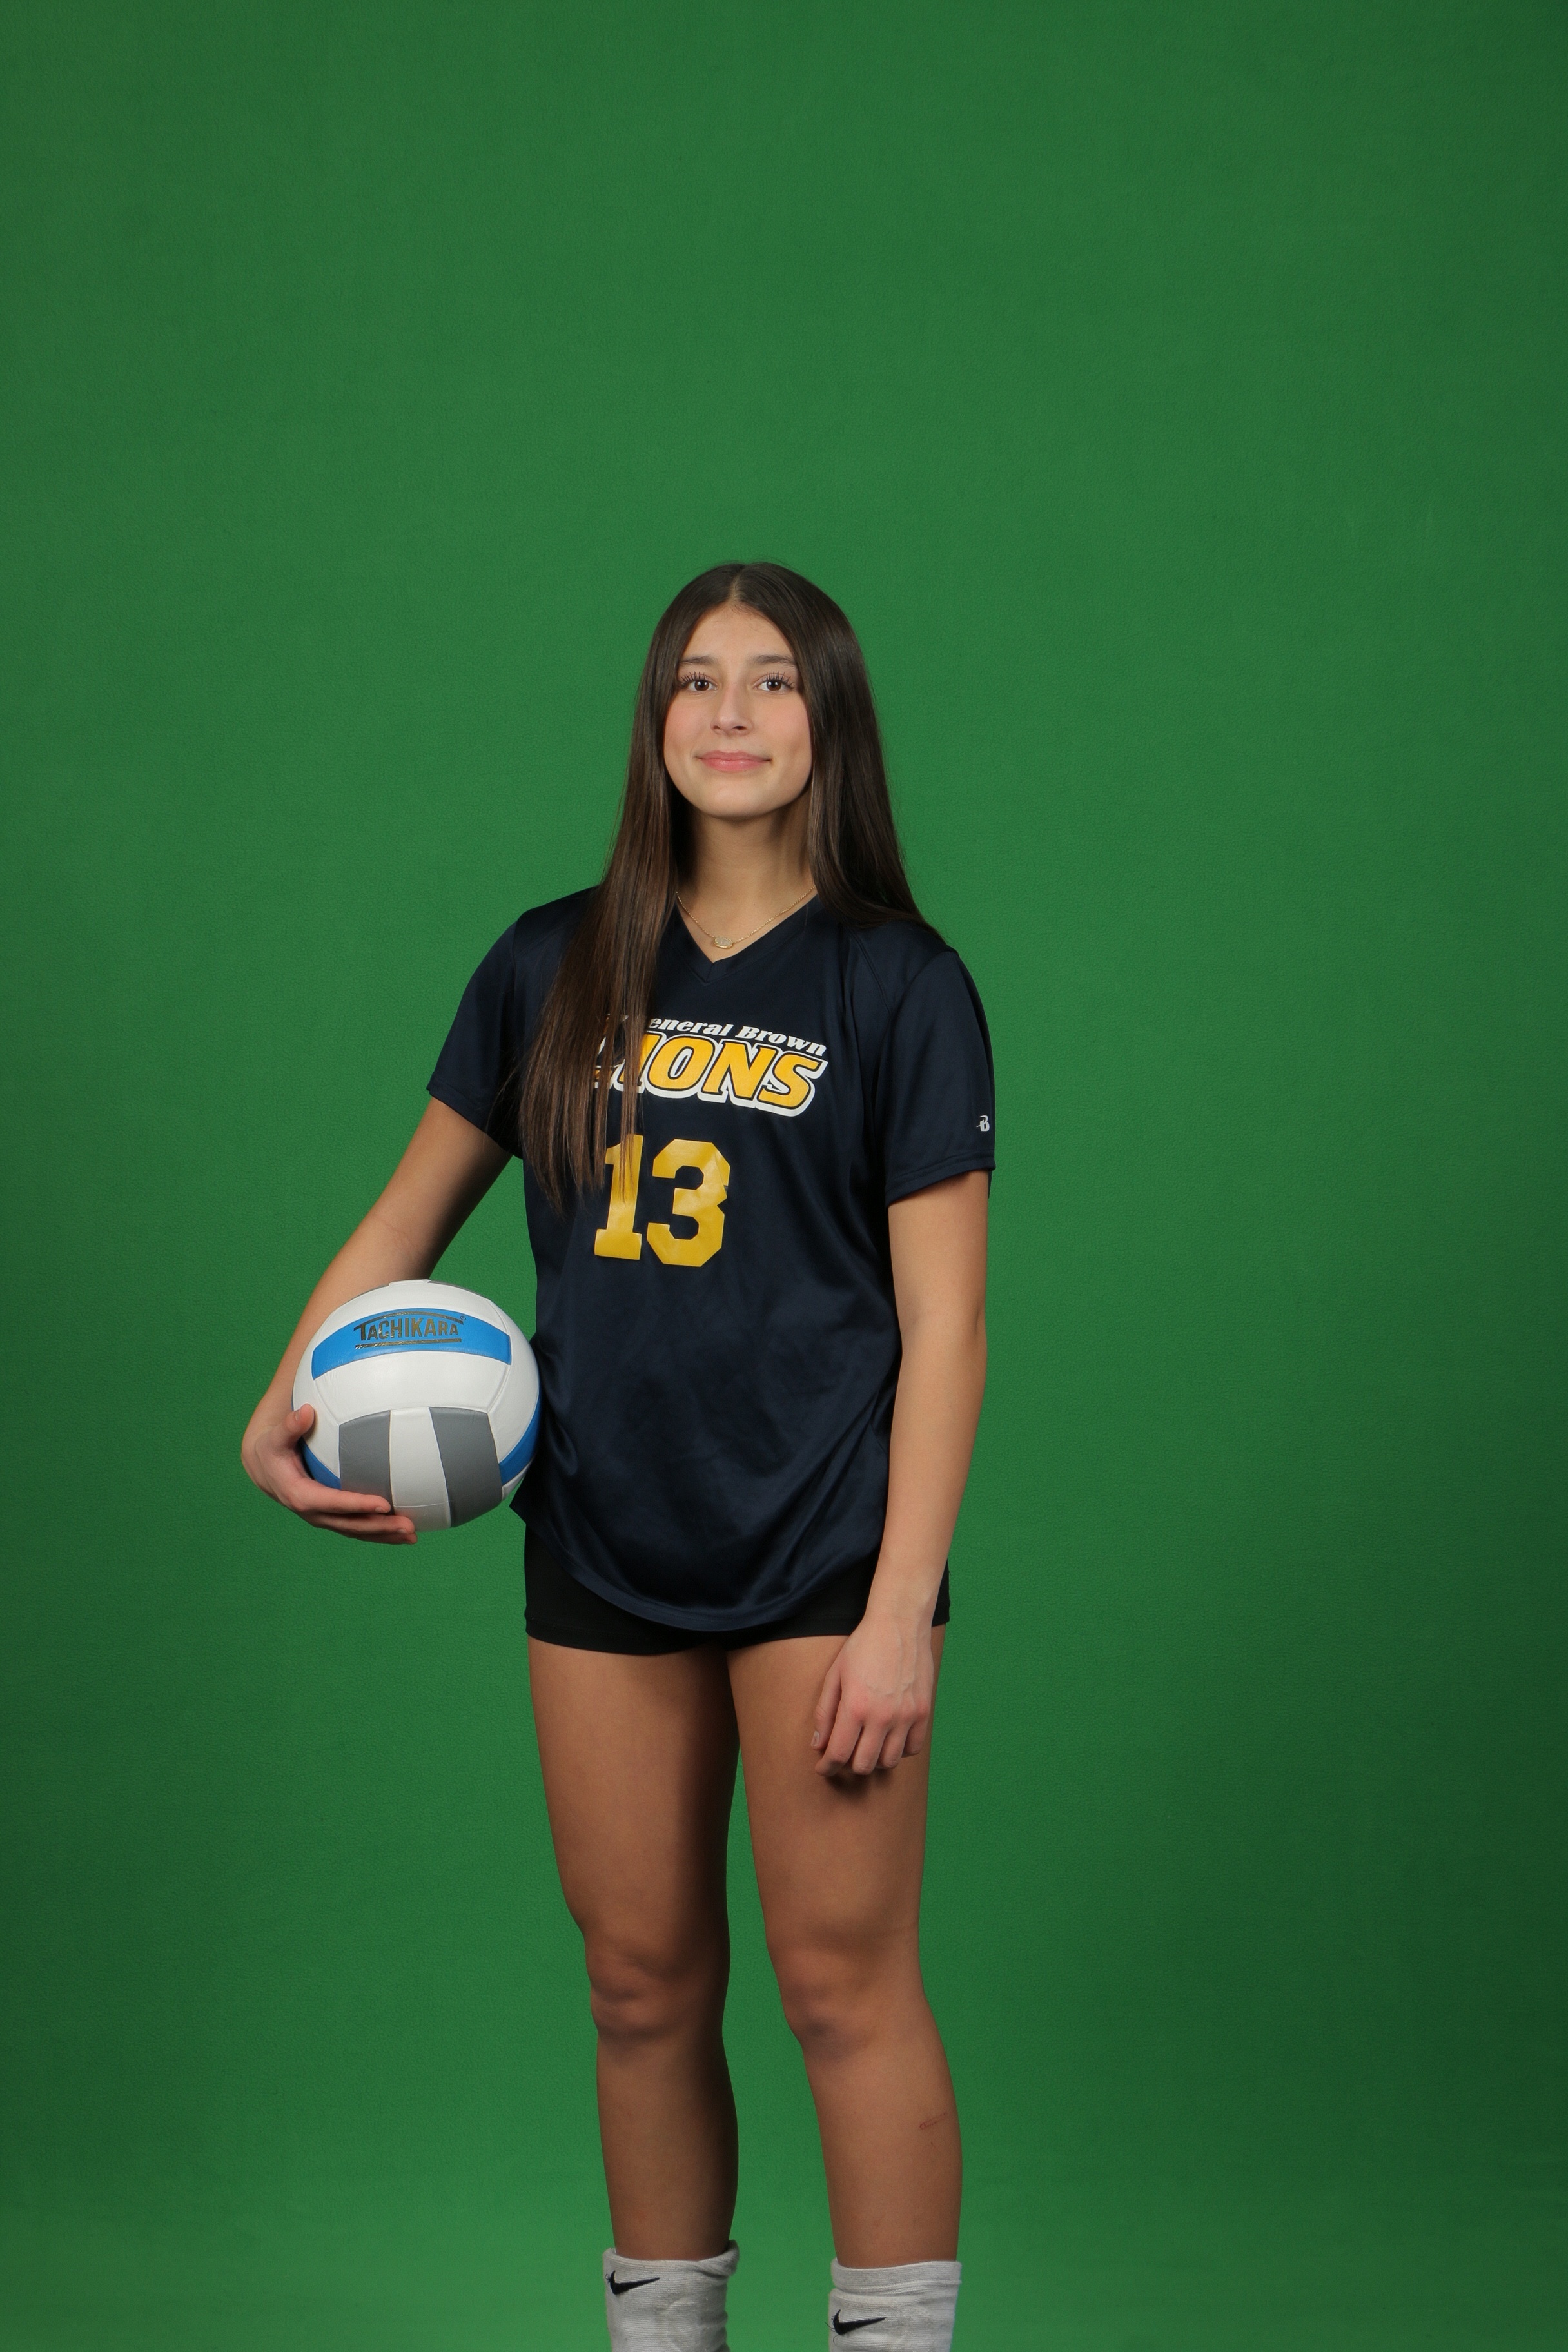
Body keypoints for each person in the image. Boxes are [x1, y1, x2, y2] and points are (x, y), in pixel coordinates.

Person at [241, 563, 994, 2352]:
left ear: (831, 720)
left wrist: (901, 1611)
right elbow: (407, 1217)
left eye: (774, 680)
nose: (731, 713)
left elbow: (949, 1322)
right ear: (654, 724)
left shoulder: (901, 982)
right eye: (694, 680)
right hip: (599, 1529)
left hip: (824, 1545)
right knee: (640, 1983)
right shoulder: (549, 962)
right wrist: (280, 1400)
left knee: (840, 1988)